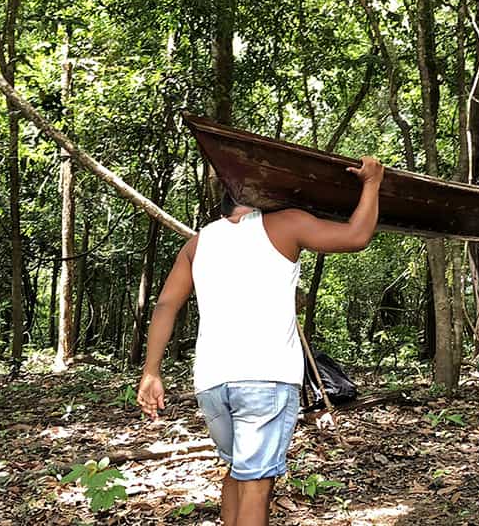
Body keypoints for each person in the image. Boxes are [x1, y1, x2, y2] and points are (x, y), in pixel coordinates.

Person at [136, 156, 384, 526]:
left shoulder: (198, 243)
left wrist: (151, 371)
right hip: (265, 379)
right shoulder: (284, 223)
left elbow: (166, 305)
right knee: (257, 485)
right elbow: (356, 236)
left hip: (212, 384)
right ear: (262, 196)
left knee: (237, 471)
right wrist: (373, 183)